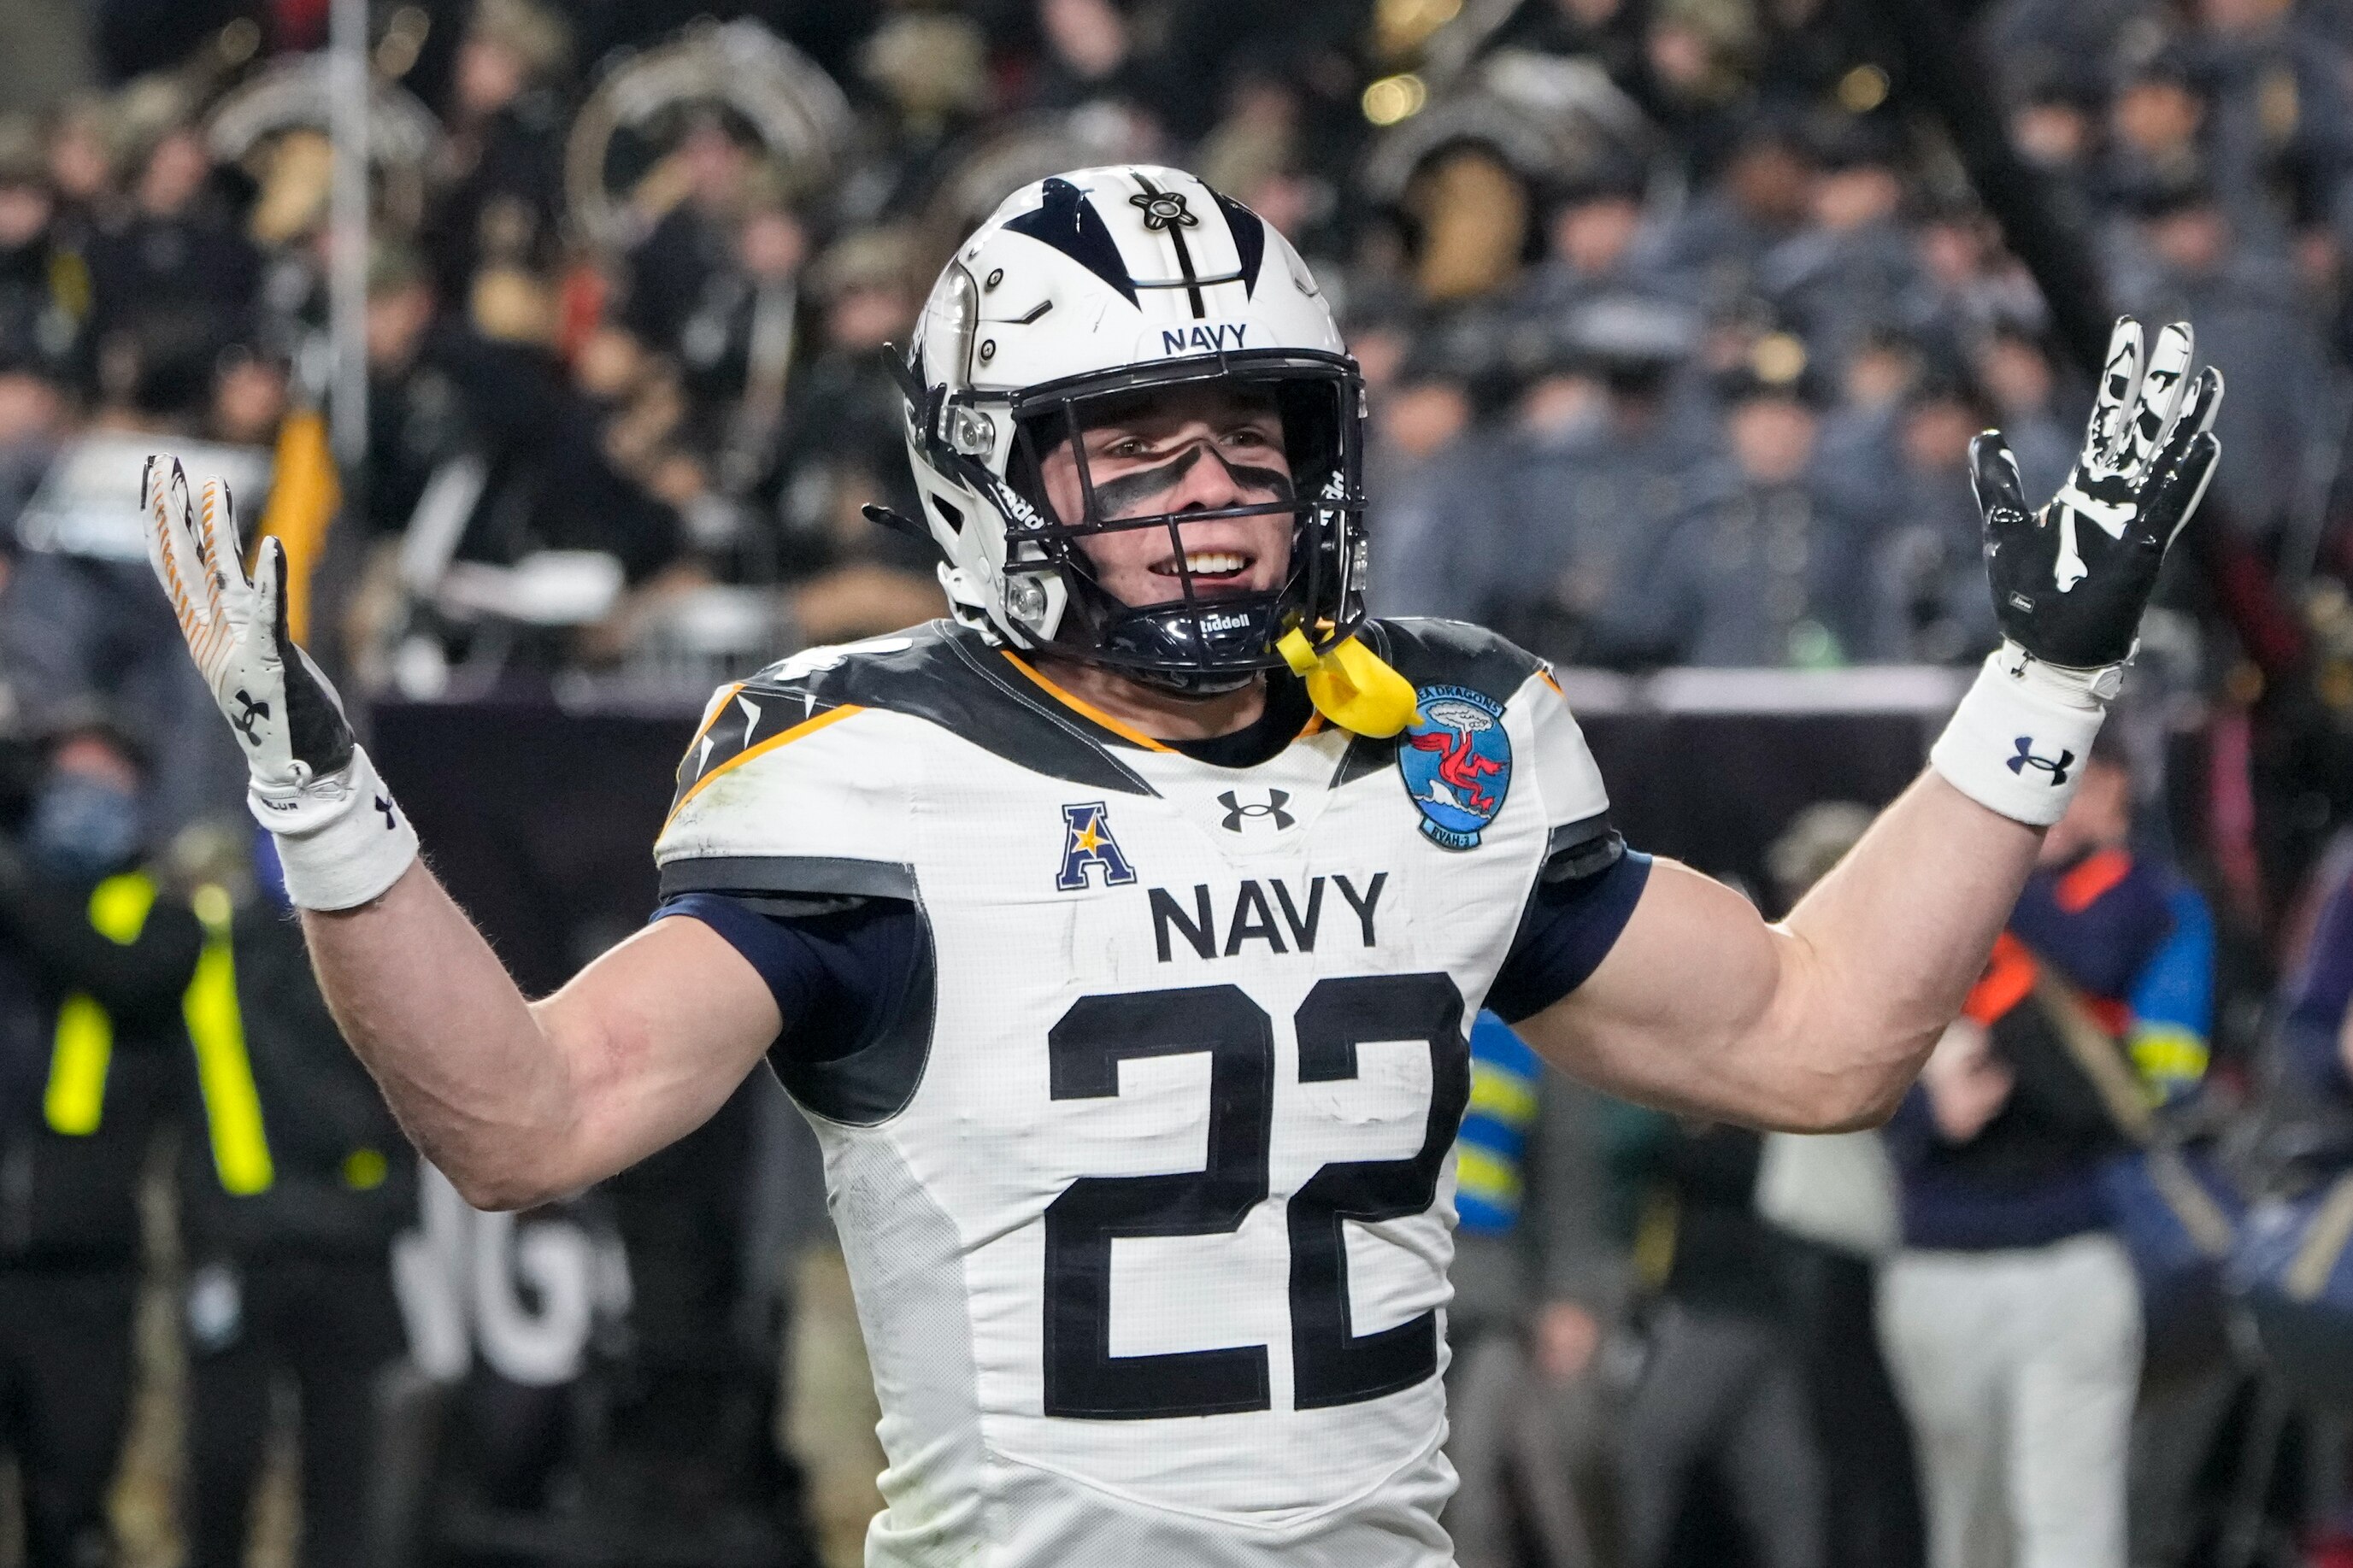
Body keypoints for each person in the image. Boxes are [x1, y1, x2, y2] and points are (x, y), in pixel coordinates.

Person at [143, 165, 2222, 1567]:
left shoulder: (1453, 741)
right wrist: (331, 811)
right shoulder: (865, 774)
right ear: (985, 475)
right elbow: (529, 1115)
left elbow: (1813, 1034)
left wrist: (2042, 678)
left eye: (1255, 445)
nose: (1216, 507)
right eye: (1136, 456)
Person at [1877, 735, 2214, 1568]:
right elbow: (1856, 1062)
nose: (2043, 794)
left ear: (2111, 793)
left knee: (2067, 1529)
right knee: (1967, 1531)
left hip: (2071, 1248)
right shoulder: (1933, 897)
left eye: (2067, 776)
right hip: (1937, 1256)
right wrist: (1925, 1104)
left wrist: (2003, 963)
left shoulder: (2151, 905)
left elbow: (2146, 1091)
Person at [178, 829, 415, 1568]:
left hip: (344, 1249)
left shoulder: (387, 958)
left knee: (343, 1476)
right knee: (222, 1465)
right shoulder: (210, 943)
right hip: (242, 1246)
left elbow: (411, 1103)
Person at [0, 715, 203, 1568]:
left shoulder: (159, 920)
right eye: (63, 782)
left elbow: (122, 973)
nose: (80, 803)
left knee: (70, 1496)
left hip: (83, 1265)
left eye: (102, 782)